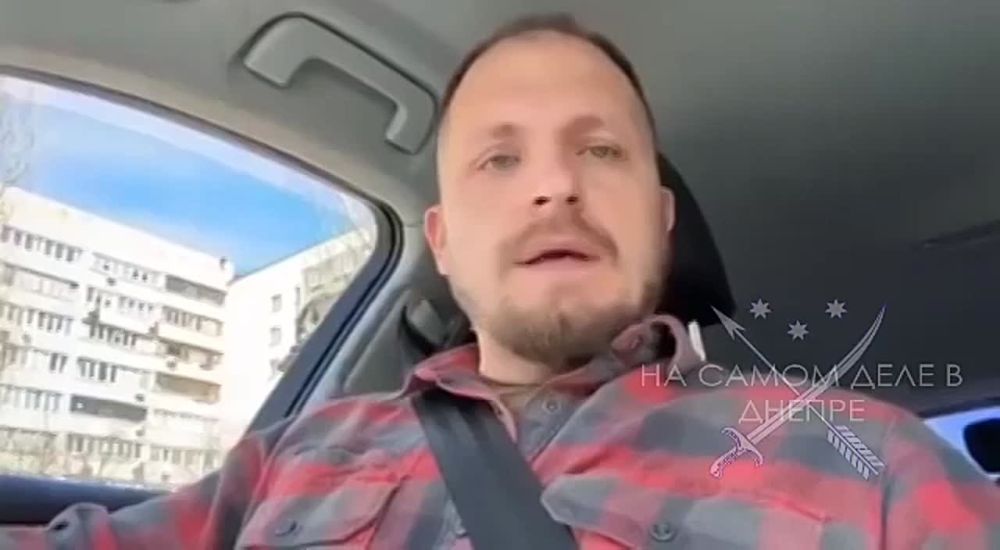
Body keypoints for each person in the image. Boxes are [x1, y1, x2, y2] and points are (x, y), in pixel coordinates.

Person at [4, 13, 999, 550]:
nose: (555, 186)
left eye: (600, 151)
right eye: (499, 159)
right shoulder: (292, 457)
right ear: (441, 240)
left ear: (660, 222)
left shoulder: (868, 463)